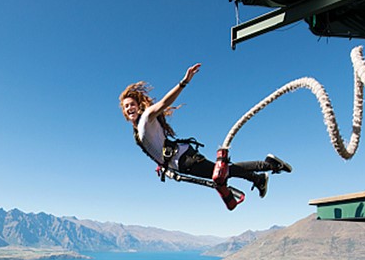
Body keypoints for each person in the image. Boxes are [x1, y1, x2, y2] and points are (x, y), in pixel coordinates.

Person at [119, 63, 291, 198]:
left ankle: (268, 166)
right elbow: (156, 146)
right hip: (180, 161)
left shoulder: (146, 117)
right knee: (223, 172)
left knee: (223, 173)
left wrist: (183, 82)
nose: (129, 108)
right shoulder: (138, 131)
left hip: (185, 159)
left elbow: (164, 103)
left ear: (138, 106)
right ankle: (259, 177)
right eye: (126, 107)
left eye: (132, 105)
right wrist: (162, 165)